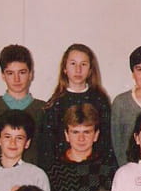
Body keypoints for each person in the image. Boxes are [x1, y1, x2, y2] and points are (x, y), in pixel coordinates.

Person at [47, 103, 117, 191]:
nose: (81, 138)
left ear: (96, 135)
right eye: (75, 132)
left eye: (87, 132)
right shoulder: (54, 169)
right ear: (66, 135)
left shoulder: (106, 168)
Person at [40, 43, 116, 171]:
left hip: (96, 171)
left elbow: (107, 142)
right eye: (73, 64)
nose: (78, 70)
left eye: (83, 64)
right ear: (65, 68)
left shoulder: (100, 101)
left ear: (90, 70)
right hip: (63, 172)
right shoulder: (55, 104)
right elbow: (47, 148)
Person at [0, 44, 45, 168]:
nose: (16, 79)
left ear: (30, 74)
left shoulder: (43, 109)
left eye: (22, 72)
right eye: (10, 73)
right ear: (3, 75)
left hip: (32, 177)